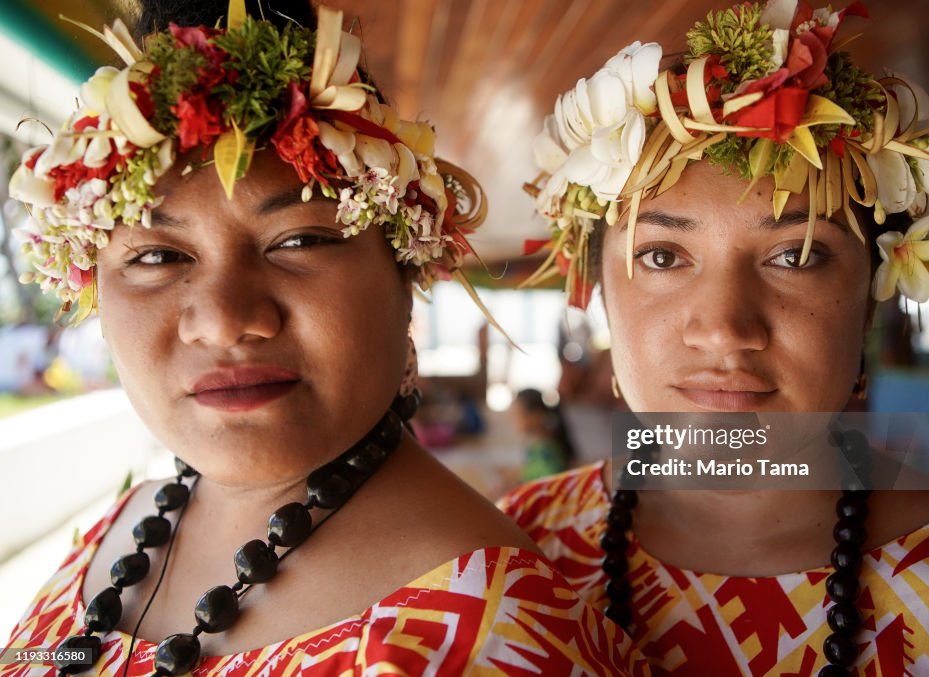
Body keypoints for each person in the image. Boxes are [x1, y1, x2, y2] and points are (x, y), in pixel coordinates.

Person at [1, 1, 647, 674]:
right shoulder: (118, 530)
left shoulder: (490, 634)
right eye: (157, 256)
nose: (224, 318)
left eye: (301, 240)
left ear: (408, 272)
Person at [500, 2, 929, 675]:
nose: (725, 327)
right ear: (598, 287)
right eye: (662, 256)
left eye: (796, 255)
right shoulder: (511, 557)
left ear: (871, 293)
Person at [511, 388, 573, 482]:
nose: (513, 420)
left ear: (537, 415)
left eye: (517, 414)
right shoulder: (536, 447)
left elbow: (545, 485)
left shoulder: (547, 451)